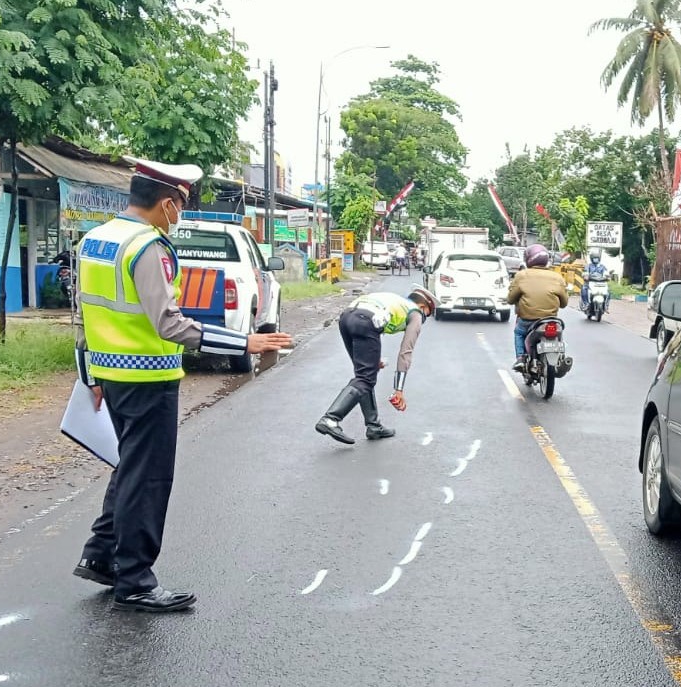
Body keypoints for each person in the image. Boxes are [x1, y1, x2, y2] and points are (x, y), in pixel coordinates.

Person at [71, 160, 293, 613]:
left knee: (129, 467)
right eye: (182, 205)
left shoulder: (95, 239)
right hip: (148, 376)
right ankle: (134, 579)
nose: (181, 215)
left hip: (111, 374)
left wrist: (90, 373)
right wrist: (244, 341)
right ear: (168, 203)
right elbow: (169, 324)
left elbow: (84, 313)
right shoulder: (148, 247)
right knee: (148, 478)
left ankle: (101, 555)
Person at [315, 286, 438, 444]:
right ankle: (330, 419)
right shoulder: (415, 313)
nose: (423, 319)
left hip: (346, 317)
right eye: (427, 315)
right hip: (364, 321)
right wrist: (398, 390)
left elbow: (373, 319)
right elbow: (406, 352)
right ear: (422, 307)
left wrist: (373, 360)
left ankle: (373, 426)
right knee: (365, 379)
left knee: (364, 376)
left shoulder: (395, 300)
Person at [506, 243, 568, 371]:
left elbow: (511, 299)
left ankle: (521, 358)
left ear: (528, 259)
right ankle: (561, 357)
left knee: (519, 333)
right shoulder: (557, 277)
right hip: (551, 320)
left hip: (528, 320)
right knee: (559, 333)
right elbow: (564, 303)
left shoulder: (521, 275)